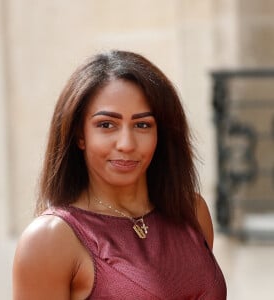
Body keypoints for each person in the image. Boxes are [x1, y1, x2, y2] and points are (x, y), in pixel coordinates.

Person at [12, 50, 227, 299]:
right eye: (106, 125)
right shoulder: (50, 239)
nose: (126, 143)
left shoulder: (192, 211)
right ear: (80, 135)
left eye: (142, 125)